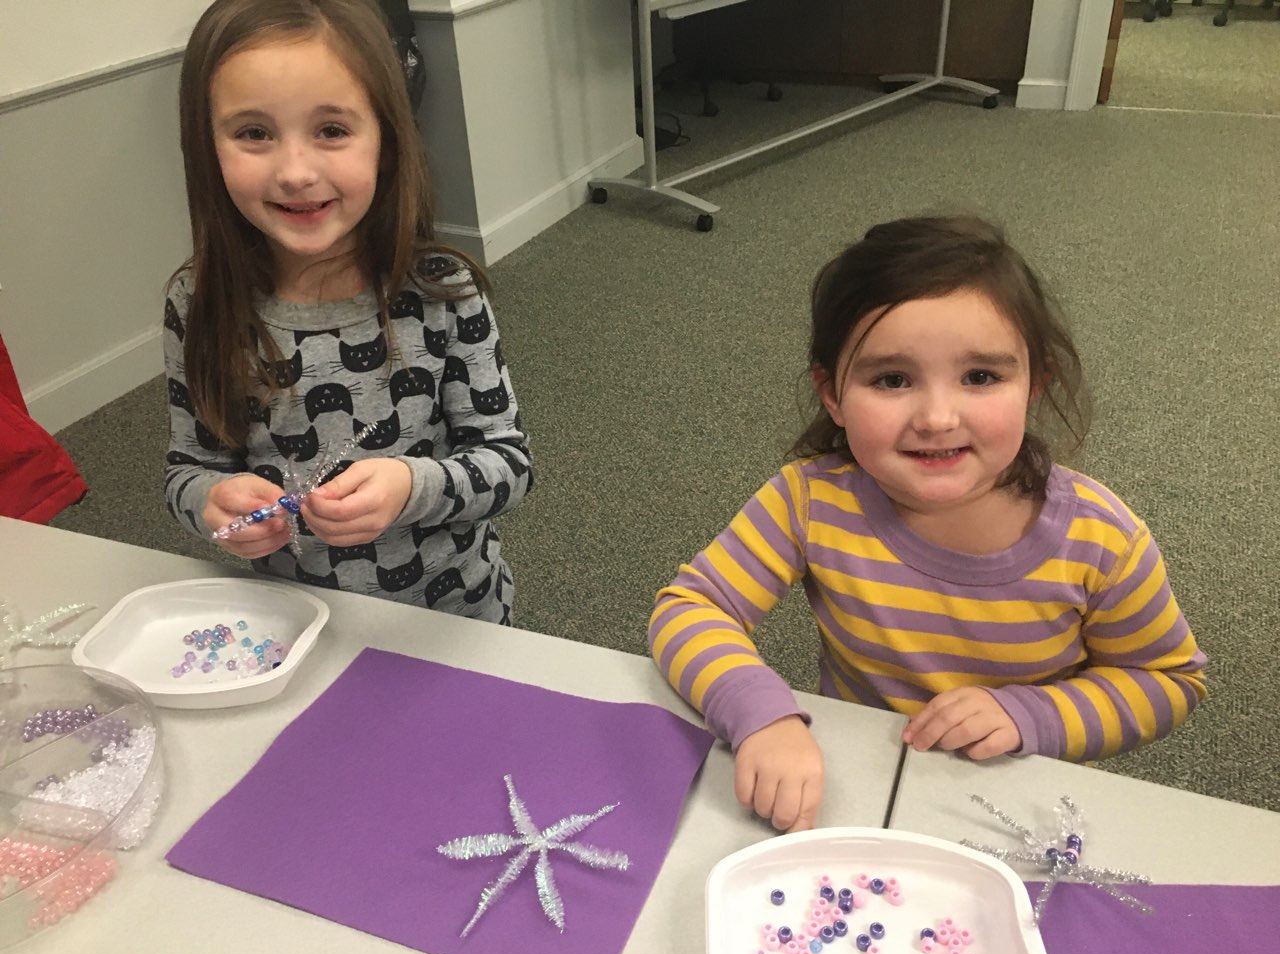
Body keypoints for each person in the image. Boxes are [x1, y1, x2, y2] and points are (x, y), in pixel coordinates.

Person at [648, 216, 1206, 832]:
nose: (938, 417)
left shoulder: (1102, 541)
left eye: (980, 377)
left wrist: (1033, 715)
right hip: (851, 784)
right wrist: (760, 713)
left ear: (1032, 386)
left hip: (1015, 802)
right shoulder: (811, 500)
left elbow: (1168, 679)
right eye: (892, 380)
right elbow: (690, 607)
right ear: (833, 395)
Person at [163, 0, 531, 624]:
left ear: (386, 139)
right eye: (253, 133)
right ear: (208, 145)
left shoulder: (443, 290)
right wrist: (211, 504)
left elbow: (508, 463)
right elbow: (188, 468)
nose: (296, 172)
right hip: (298, 628)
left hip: (454, 620)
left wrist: (413, 487)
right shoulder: (200, 301)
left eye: (332, 130)